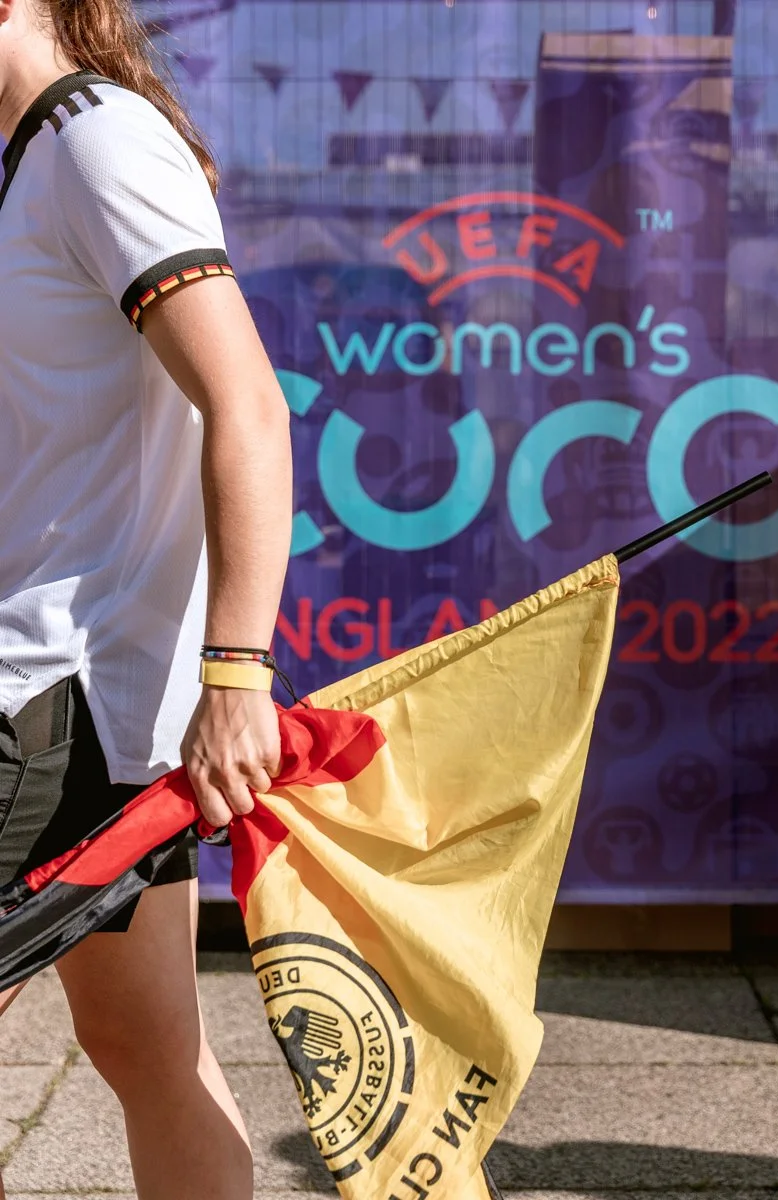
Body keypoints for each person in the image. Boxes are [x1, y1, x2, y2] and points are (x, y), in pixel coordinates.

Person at [0, 0, 294, 1193]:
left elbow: (251, 408)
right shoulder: (39, 157)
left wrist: (237, 677)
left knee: (151, 1049)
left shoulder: (94, 138)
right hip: (81, 708)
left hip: (44, 707)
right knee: (147, 1048)